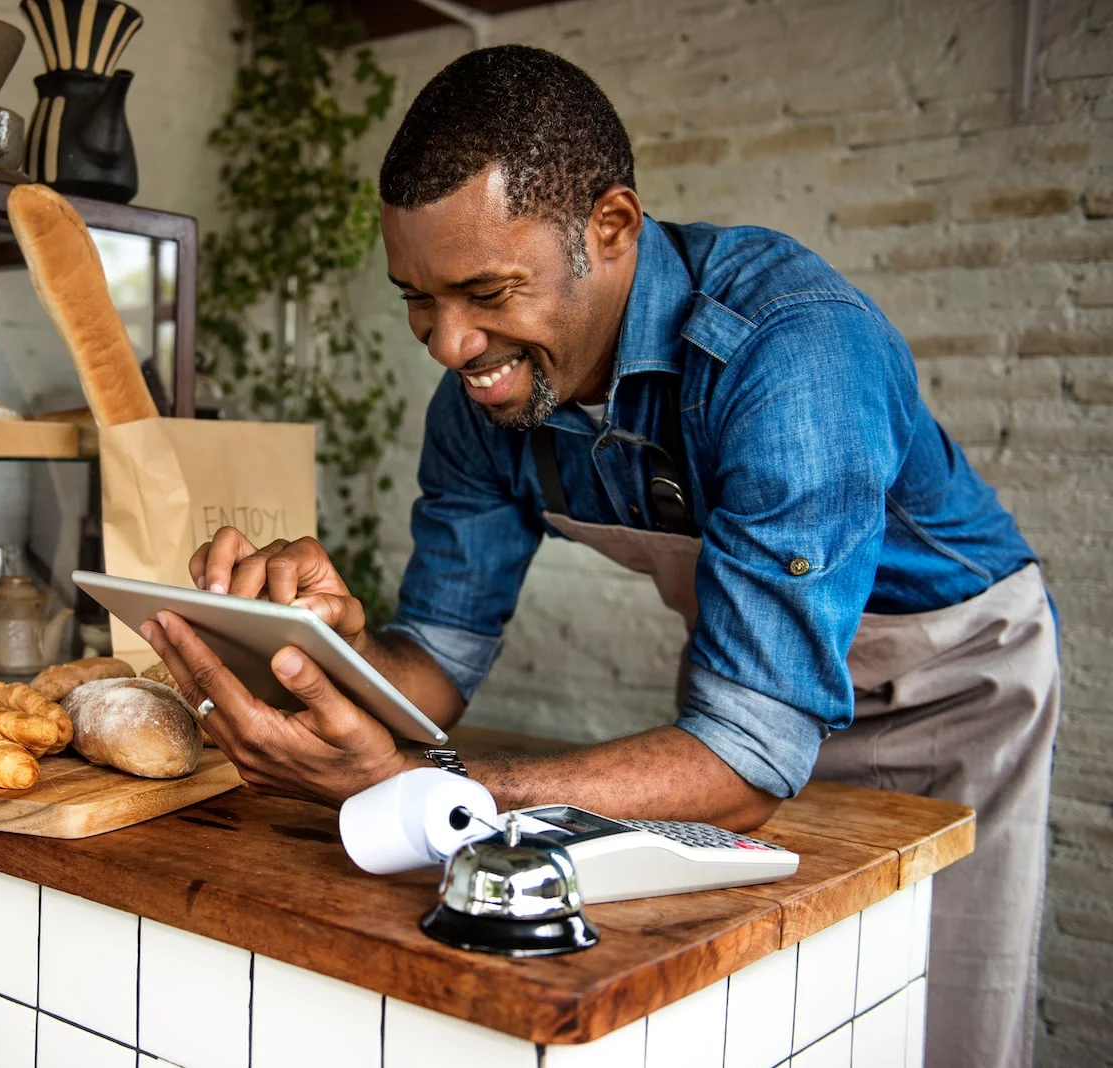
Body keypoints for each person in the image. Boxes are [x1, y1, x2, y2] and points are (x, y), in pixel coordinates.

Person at [140, 45, 1056, 1068]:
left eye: (485, 289)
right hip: (745, 683)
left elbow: (745, 759)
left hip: (952, 681)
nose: (448, 346)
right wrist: (318, 657)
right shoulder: (484, 399)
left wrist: (421, 783)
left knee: (941, 1009)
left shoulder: (791, 353)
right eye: (416, 298)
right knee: (769, 1001)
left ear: (609, 229)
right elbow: (435, 665)